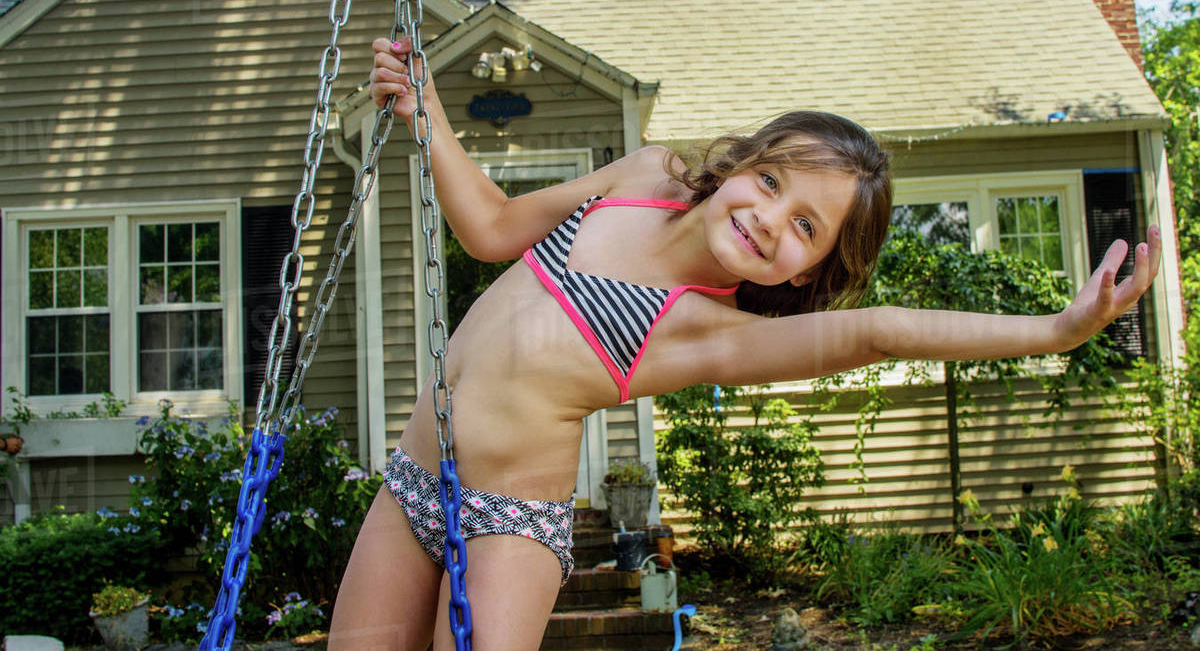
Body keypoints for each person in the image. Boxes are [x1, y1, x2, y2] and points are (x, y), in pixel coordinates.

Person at [328, 36, 1162, 651]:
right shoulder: (643, 178)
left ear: (810, 272)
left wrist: (1056, 329)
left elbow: (880, 332)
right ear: (743, 163)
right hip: (412, 478)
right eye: (771, 181)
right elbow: (493, 226)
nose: (769, 218)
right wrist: (427, 109)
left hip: (506, 525)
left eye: (805, 226)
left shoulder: (708, 330)